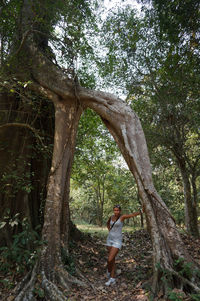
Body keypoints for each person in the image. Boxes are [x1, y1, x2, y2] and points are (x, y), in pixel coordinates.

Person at [105, 204, 144, 286]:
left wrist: (142, 211)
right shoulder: (111, 217)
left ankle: (109, 271)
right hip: (109, 240)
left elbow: (132, 215)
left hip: (117, 241)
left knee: (110, 259)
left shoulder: (122, 217)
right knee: (112, 260)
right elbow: (107, 223)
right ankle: (112, 278)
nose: (116, 212)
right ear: (113, 210)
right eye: (115, 210)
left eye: (118, 210)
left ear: (120, 211)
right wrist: (110, 231)